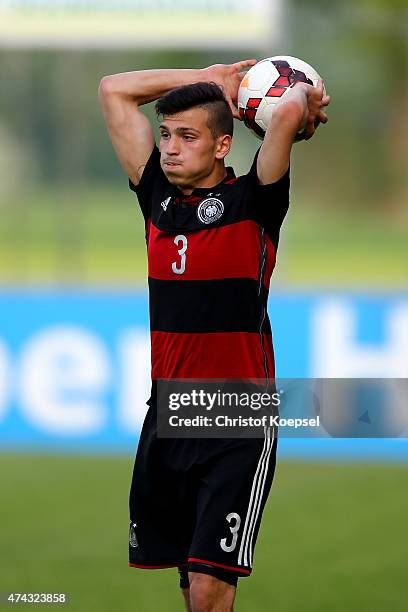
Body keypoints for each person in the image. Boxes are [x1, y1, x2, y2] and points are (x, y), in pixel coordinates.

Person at [99, 59, 330, 612]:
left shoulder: (256, 202)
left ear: (224, 144)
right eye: (165, 136)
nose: (170, 148)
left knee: (209, 590)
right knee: (189, 589)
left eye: (187, 135)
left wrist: (294, 100)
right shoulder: (155, 197)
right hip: (170, 415)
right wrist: (211, 75)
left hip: (236, 419)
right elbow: (114, 90)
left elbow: (289, 112)